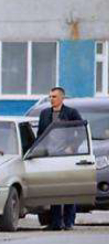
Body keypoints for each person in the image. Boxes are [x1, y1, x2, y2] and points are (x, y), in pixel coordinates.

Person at [37, 87, 83, 231]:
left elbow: (81, 131)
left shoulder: (71, 113)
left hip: (67, 156)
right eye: (50, 96)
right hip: (50, 156)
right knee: (54, 190)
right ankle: (56, 222)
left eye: (55, 96)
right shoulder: (45, 114)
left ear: (62, 98)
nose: (52, 99)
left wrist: (72, 147)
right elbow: (40, 134)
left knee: (69, 189)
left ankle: (69, 222)